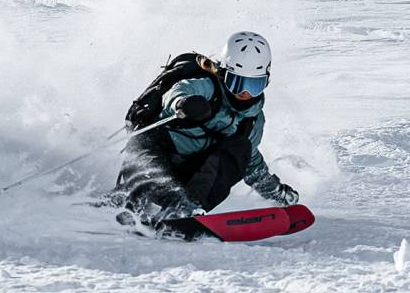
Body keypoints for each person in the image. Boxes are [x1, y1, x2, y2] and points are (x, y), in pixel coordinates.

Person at [111, 31, 299, 227]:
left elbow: (251, 165)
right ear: (224, 74)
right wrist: (183, 104)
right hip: (154, 152)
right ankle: (129, 202)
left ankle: (187, 209)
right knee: (151, 170)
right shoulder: (207, 86)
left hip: (189, 176)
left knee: (240, 148)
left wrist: (276, 192)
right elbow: (177, 92)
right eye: (237, 83)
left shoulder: (252, 121)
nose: (245, 93)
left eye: (254, 85)